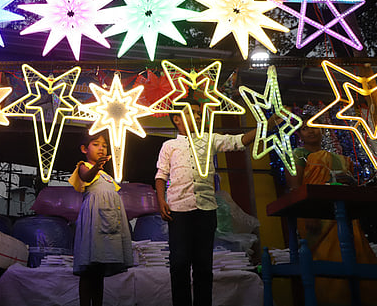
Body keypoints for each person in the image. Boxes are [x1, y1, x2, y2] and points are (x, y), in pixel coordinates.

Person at [155, 96, 271, 306]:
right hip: (178, 210)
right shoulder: (169, 145)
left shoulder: (210, 139)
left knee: (203, 266)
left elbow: (239, 141)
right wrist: (161, 200)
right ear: (176, 119)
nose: (198, 117)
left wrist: (266, 125)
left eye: (199, 113)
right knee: (179, 264)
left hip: (206, 210)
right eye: (192, 113)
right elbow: (161, 175)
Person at [286, 123, 377, 305]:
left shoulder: (338, 159)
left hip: (344, 215)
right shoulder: (297, 155)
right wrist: (308, 213)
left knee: (355, 258)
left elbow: (349, 187)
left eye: (314, 126)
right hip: (315, 217)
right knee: (326, 264)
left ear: (322, 129)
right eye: (304, 128)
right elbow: (295, 189)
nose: (311, 131)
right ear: (299, 135)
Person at [68, 130, 133, 306]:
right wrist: (96, 166)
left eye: (104, 145)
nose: (101, 148)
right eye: (96, 144)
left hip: (108, 223)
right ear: (84, 149)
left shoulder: (107, 176)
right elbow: (86, 177)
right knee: (88, 268)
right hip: (94, 221)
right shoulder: (84, 166)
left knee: (99, 270)